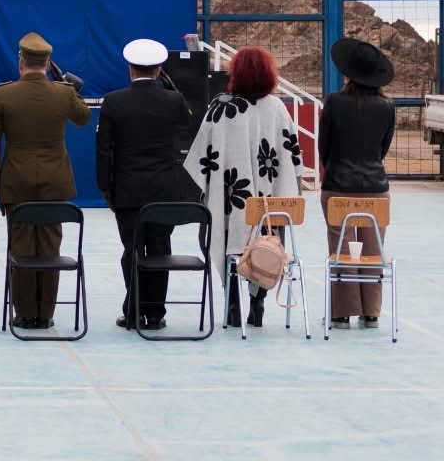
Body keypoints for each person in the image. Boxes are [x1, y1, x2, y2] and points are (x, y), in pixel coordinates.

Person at [183, 46, 302, 327]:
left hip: (229, 200)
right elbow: (293, 157)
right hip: (269, 204)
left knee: (224, 241)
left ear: (234, 72)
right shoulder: (278, 109)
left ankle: (232, 301)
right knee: (267, 244)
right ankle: (257, 302)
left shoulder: (221, 107)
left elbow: (201, 156)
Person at [0, 32, 90, 330]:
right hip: (55, 182)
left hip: (16, 183)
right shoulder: (63, 92)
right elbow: (83, 117)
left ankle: (24, 313)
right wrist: (72, 89)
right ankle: (45, 314)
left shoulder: (3, 95)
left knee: (20, 249)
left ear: (21, 62)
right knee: (49, 247)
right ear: (46, 63)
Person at [96, 39, 196, 331]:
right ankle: (155, 313)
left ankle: (133, 310)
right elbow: (186, 134)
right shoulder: (174, 101)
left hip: (127, 190)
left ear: (130, 68)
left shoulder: (113, 101)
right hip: (164, 189)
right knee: (160, 248)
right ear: (160, 69)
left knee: (132, 249)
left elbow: (104, 150)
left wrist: (106, 188)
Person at [320, 37, 395, 330]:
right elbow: (382, 149)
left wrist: (335, 169)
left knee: (342, 247)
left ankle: (341, 313)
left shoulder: (334, 103)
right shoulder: (387, 107)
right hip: (377, 188)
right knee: (373, 247)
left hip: (338, 185)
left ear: (349, 71)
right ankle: (371, 313)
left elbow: (324, 146)